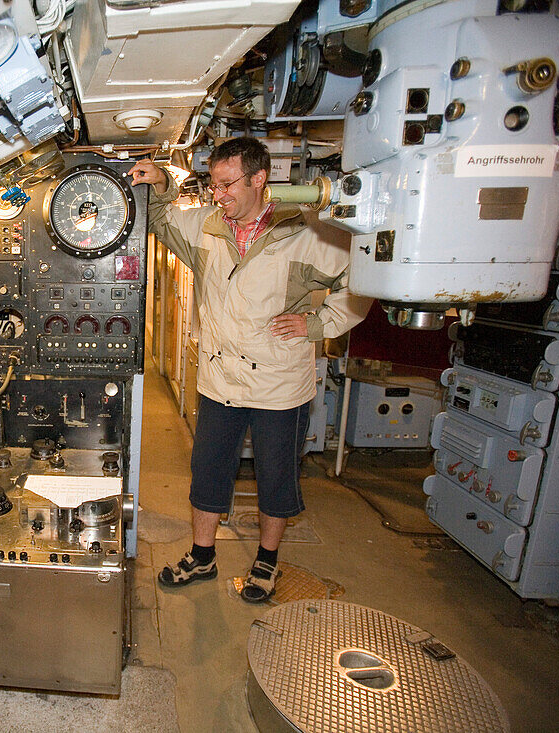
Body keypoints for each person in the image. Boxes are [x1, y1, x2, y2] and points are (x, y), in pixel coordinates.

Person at [129, 138, 370, 602]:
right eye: (214, 185)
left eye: (227, 184)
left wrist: (319, 322)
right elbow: (159, 220)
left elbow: (363, 276)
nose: (218, 194)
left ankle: (266, 561)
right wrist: (161, 181)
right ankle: (202, 556)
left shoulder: (310, 235)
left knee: (276, 477)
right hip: (221, 381)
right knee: (208, 471)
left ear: (260, 179)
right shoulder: (208, 227)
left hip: (279, 384)